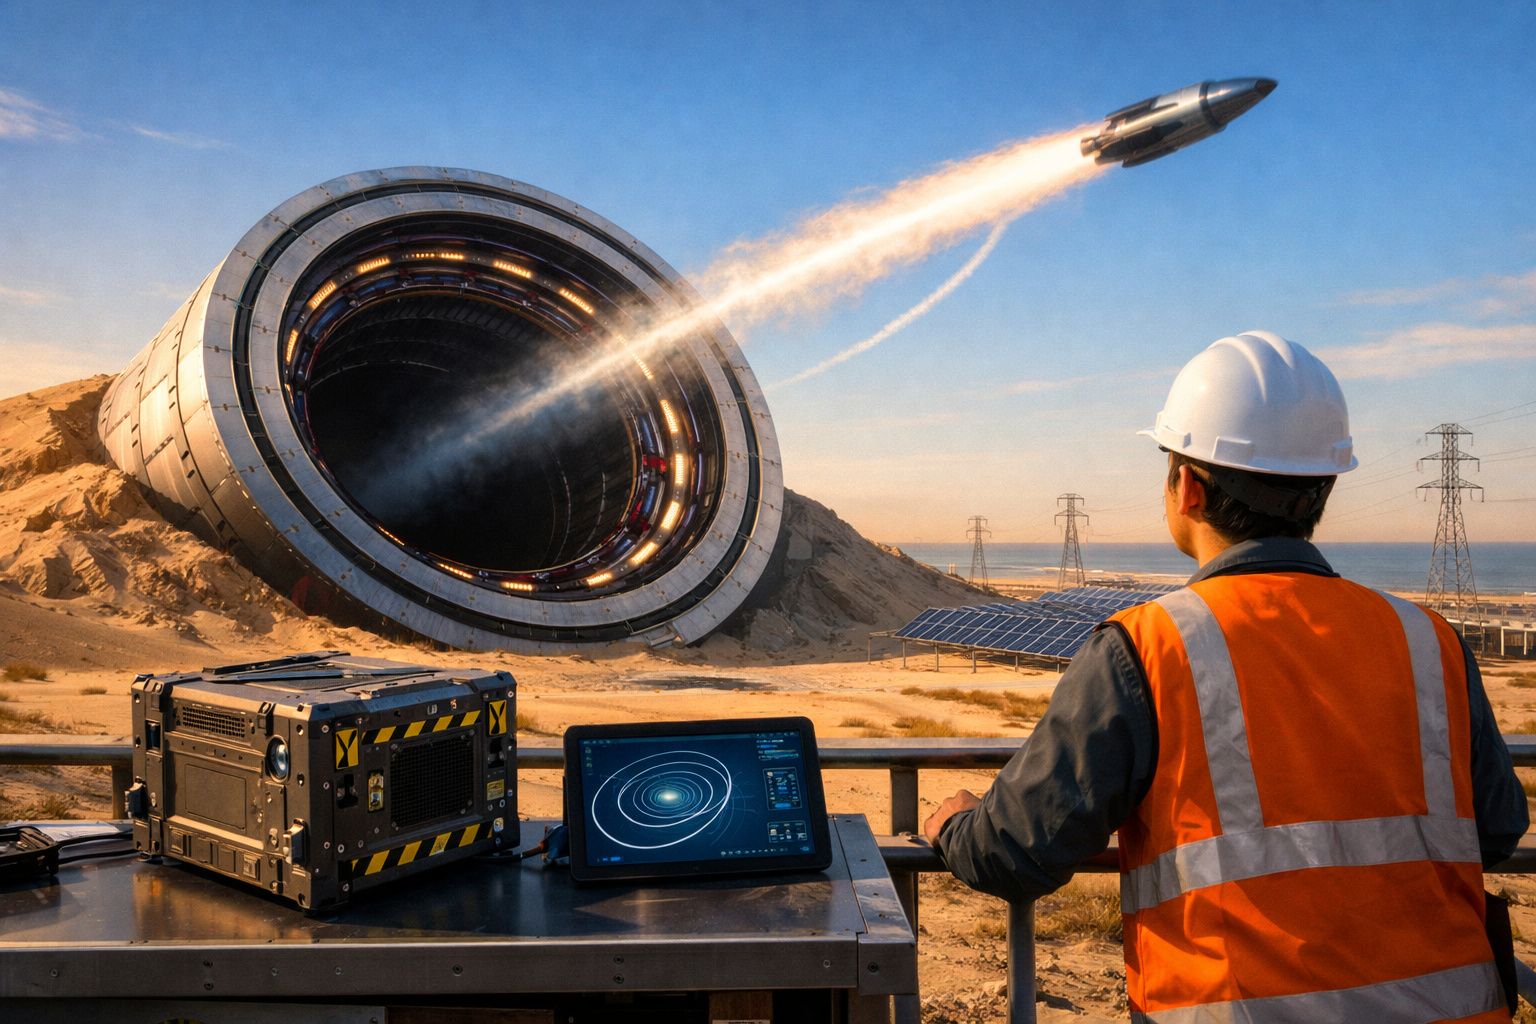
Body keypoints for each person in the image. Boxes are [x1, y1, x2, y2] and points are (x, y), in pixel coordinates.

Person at [923, 331, 1527, 1022]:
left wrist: (954, 826)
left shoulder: (1146, 649)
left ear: (1186, 487)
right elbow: (1498, 829)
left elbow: (1018, 850)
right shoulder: (1429, 641)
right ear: (1323, 489)